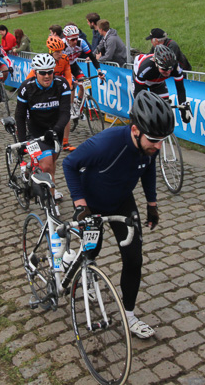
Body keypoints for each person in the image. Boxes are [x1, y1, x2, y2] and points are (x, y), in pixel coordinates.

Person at [63, 90, 174, 340]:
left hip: (123, 201)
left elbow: (148, 169)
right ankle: (74, 258)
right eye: (154, 140)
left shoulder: (150, 147)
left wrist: (152, 203)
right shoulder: (106, 142)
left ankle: (129, 315)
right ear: (135, 130)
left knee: (134, 260)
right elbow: (69, 164)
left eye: (163, 140)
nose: (159, 146)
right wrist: (80, 204)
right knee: (91, 253)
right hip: (92, 205)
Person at [14, 53, 71, 200]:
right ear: (36, 72)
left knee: (51, 162)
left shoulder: (61, 84)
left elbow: (65, 113)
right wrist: (21, 141)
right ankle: (51, 201)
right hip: (35, 131)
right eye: (43, 73)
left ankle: (41, 177)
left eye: (50, 72)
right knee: (46, 165)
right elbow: (20, 116)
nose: (47, 76)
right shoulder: (27, 88)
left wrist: (56, 130)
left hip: (54, 129)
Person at [132, 45, 192, 124]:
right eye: (164, 69)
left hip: (158, 82)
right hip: (142, 80)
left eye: (170, 69)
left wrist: (183, 110)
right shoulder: (146, 68)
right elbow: (138, 93)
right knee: (145, 109)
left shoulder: (175, 67)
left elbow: (180, 89)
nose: (168, 72)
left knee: (164, 108)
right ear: (156, 63)